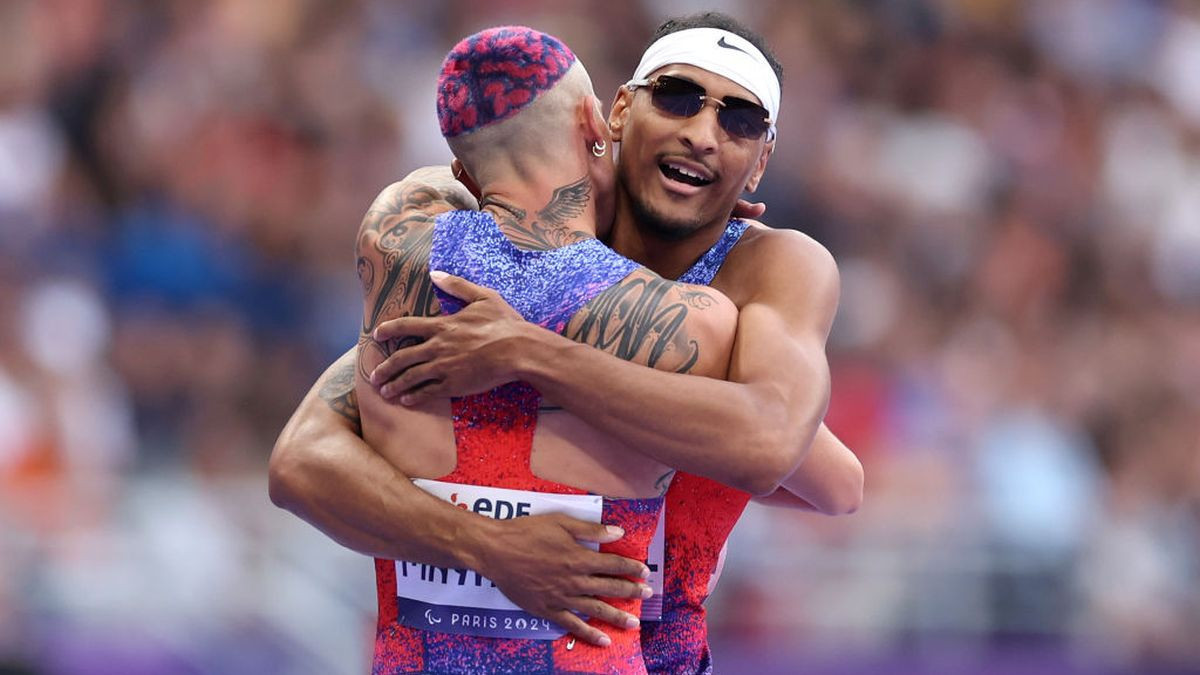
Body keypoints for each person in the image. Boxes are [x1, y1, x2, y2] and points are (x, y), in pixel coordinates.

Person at [270, 11, 864, 673]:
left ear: (760, 163)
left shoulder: (761, 272)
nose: (702, 133)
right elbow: (302, 455)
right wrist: (487, 543)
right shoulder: (501, 249)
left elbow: (821, 473)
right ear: (614, 114)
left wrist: (533, 353)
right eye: (676, 98)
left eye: (740, 121)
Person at [351, 25, 744, 674]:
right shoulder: (689, 321)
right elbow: (811, 468)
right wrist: (689, 217)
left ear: (462, 171)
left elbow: (453, 201)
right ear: (597, 122)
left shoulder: (391, 239)